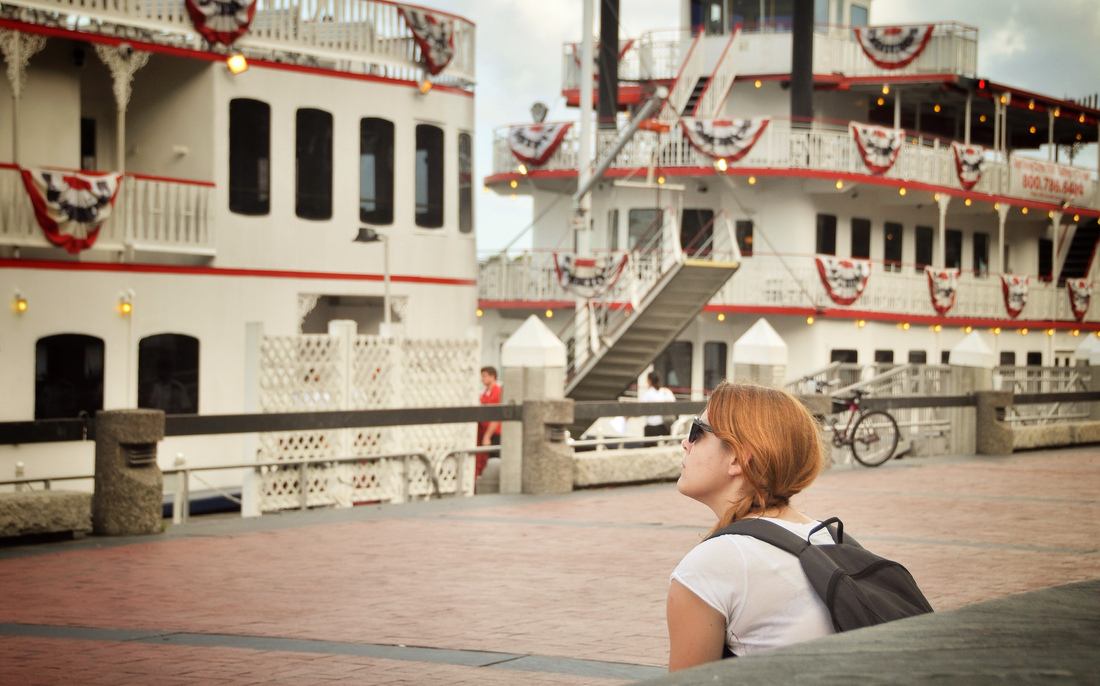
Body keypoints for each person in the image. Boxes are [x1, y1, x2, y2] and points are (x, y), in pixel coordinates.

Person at [667, 382, 831, 670]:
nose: (685, 443)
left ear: (737, 459)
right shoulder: (825, 537)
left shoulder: (711, 565)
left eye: (697, 432)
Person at [476, 366, 502, 476]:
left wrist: (487, 435)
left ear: (492, 376)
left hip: (494, 433)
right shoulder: (484, 393)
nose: (482, 379)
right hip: (484, 431)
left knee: (494, 459)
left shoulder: (497, 392)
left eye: (485, 376)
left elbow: (496, 415)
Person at [640, 371, 676, 437]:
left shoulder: (648, 394)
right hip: (665, 425)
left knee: (648, 444)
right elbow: (673, 403)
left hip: (652, 426)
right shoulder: (666, 391)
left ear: (649, 381)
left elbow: (641, 409)